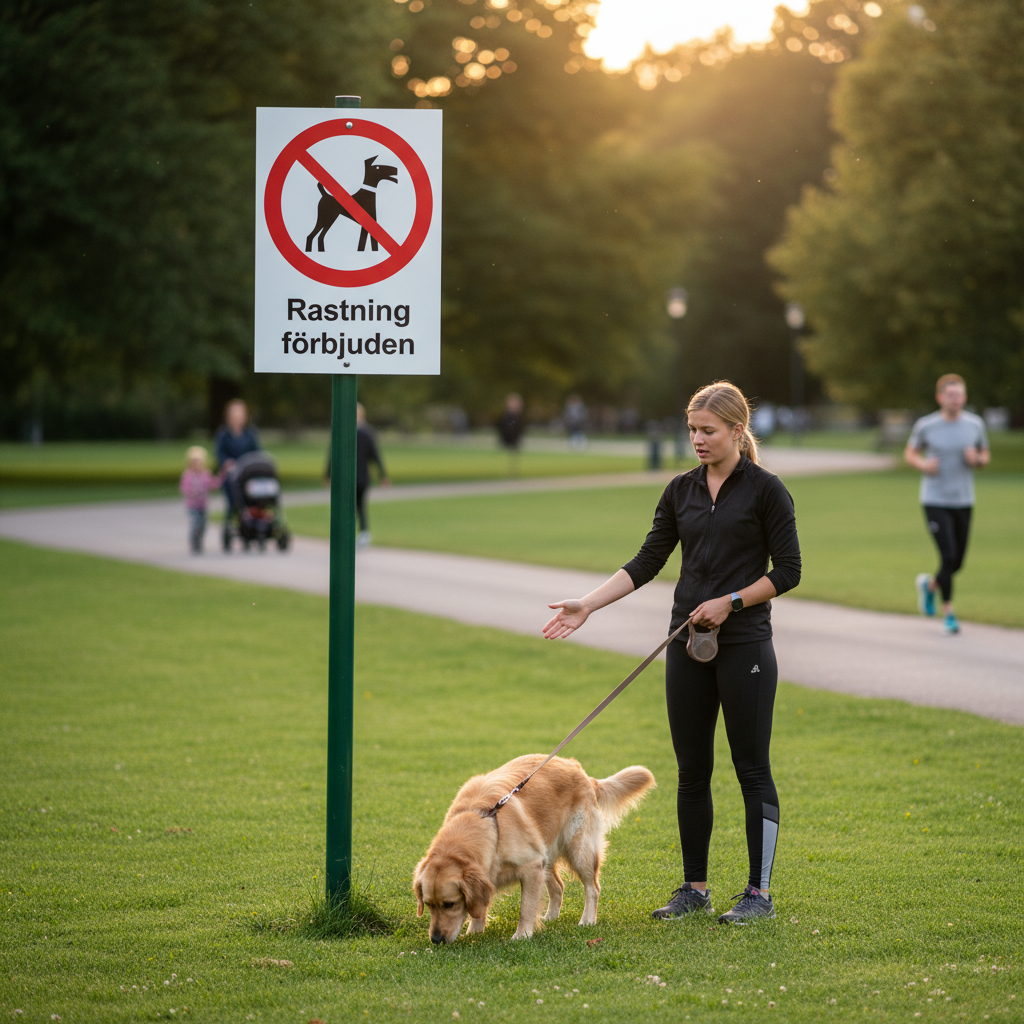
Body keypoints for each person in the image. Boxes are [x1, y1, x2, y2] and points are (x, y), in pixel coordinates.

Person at [543, 381, 801, 925]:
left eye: (708, 431)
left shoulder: (766, 490)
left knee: (751, 769)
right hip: (686, 642)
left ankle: (759, 894)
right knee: (692, 770)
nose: (698, 440)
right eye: (692, 431)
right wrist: (588, 604)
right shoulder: (680, 490)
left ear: (736, 430)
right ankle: (695, 888)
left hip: (746, 643)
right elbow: (647, 560)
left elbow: (789, 571)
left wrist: (731, 601)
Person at [904, 373, 989, 635]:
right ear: (940, 397)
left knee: (958, 562)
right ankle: (949, 613)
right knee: (948, 556)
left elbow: (985, 455)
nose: (955, 399)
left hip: (964, 500)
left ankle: (929, 585)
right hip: (935, 499)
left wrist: (977, 459)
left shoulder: (975, 424)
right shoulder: (927, 425)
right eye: (950, 395)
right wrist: (923, 464)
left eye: (959, 395)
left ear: (964, 397)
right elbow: (910, 453)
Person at [324, 402, 389, 549]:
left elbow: (332, 454)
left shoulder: (347, 432)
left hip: (355, 477)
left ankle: (357, 535)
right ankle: (361, 534)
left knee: (352, 506)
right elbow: (376, 456)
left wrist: (328, 474)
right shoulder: (365, 432)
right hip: (357, 477)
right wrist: (382, 475)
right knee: (358, 506)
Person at [214, 399, 262, 541]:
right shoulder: (223, 434)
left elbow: (257, 451)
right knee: (233, 501)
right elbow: (219, 453)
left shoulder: (250, 433)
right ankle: (230, 524)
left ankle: (253, 522)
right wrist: (226, 463)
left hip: (248, 473)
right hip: (232, 475)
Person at [179, 446, 223, 553]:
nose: (197, 464)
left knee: (203, 525)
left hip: (203, 504)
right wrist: (191, 493)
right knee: (196, 523)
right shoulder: (188, 475)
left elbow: (213, 484)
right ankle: (193, 541)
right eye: (194, 462)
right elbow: (184, 488)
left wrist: (223, 474)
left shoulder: (205, 474)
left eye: (199, 461)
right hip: (192, 504)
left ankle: (199, 542)